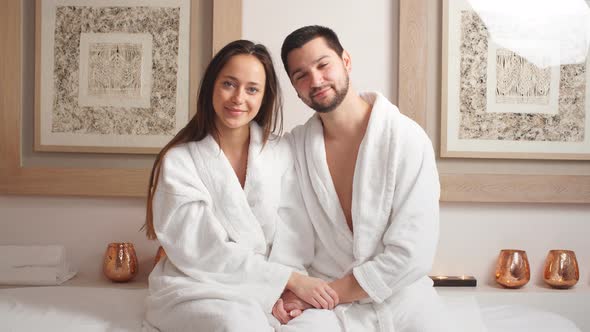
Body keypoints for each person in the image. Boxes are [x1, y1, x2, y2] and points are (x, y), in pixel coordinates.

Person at [141, 40, 341, 332]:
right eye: (229, 84)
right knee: (238, 325)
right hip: (198, 285)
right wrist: (279, 282)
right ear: (211, 86)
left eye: (252, 89)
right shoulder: (179, 161)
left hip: (277, 282)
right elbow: (201, 250)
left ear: (264, 96)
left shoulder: (280, 152)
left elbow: (294, 232)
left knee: (324, 323)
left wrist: (282, 291)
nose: (238, 98)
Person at [269, 26, 454, 331]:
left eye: (323, 64)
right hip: (322, 302)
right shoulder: (296, 148)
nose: (315, 80)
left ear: (346, 61)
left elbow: (413, 253)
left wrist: (325, 295)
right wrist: (291, 288)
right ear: (294, 86)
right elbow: (289, 237)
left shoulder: (405, 138)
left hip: (400, 298)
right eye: (300, 75)